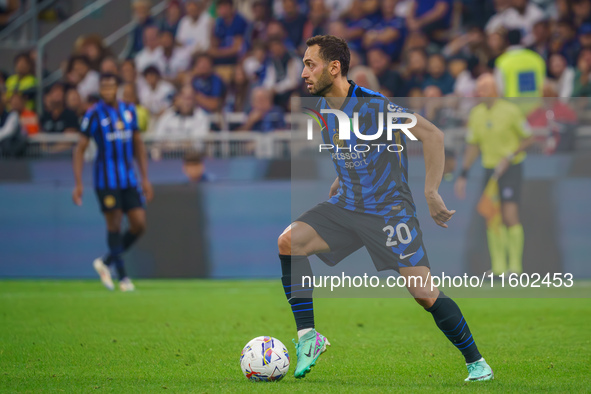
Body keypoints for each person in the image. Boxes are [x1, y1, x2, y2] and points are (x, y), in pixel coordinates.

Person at [279, 34, 493, 382]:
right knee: (289, 242)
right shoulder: (322, 111)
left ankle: (477, 363)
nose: (303, 72)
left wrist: (431, 191)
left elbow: (433, 135)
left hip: (388, 212)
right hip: (347, 205)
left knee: (424, 294)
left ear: (333, 68)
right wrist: (340, 181)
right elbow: (349, 154)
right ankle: (308, 338)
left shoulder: (374, 106)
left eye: (309, 64)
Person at [72, 73, 153, 292]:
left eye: (111, 86)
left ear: (117, 87)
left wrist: (145, 178)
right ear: (100, 89)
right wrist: (78, 183)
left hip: (128, 178)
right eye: (104, 87)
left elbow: (138, 144)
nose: (107, 90)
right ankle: (123, 278)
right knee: (114, 223)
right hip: (105, 179)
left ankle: (106, 262)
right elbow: (80, 148)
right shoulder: (93, 114)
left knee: (139, 224)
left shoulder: (129, 111)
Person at [454, 73, 534, 276]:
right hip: (490, 169)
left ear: (495, 90)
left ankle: (515, 267)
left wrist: (509, 155)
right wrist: (463, 173)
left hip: (511, 167)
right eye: (478, 88)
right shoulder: (476, 114)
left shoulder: (511, 111)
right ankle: (499, 268)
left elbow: (528, 138)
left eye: (484, 88)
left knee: (509, 214)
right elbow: (473, 145)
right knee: (492, 216)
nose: (480, 92)